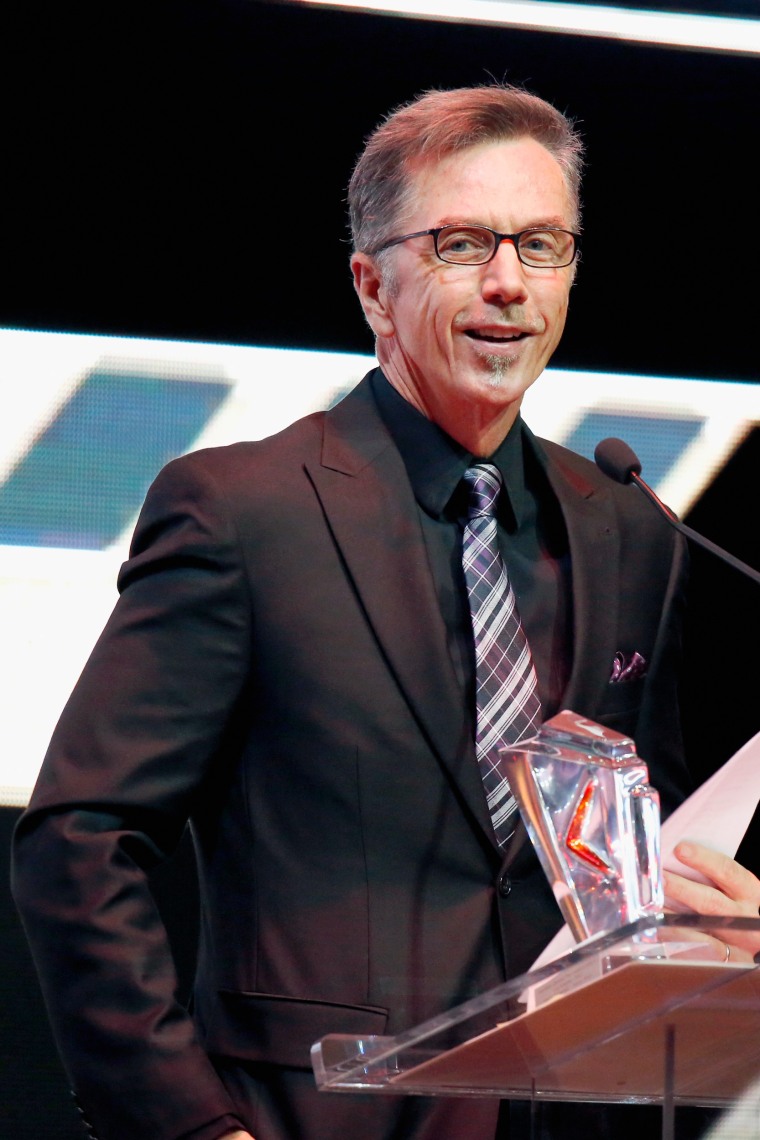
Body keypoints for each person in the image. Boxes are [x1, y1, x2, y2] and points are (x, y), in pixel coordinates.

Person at [11, 83, 760, 1140]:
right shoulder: (243, 510)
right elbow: (83, 837)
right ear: (371, 285)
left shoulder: (626, 523)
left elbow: (647, 838)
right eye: (462, 244)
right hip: (316, 1118)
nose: (509, 284)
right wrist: (184, 1125)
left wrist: (713, 918)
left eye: (542, 246)